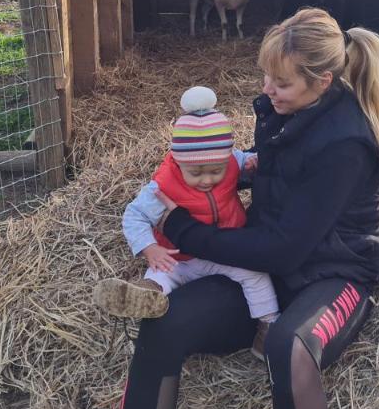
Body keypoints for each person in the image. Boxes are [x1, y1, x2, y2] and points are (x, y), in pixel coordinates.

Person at [112, 8, 379, 409]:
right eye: (266, 76)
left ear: (322, 82)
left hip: (335, 273)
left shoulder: (346, 144)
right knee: (163, 325)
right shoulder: (286, 113)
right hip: (269, 272)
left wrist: (180, 227)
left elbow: (284, 248)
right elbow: (270, 174)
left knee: (288, 347)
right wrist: (198, 181)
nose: (267, 90)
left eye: (281, 83)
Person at [92, 86, 279, 356]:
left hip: (224, 251)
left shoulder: (230, 163)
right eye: (196, 173)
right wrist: (149, 248)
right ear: (179, 164)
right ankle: (145, 295)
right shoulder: (164, 185)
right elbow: (134, 215)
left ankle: (268, 329)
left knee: (256, 274)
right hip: (178, 257)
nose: (207, 179)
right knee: (161, 273)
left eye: (216, 170)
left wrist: (253, 163)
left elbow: (245, 159)